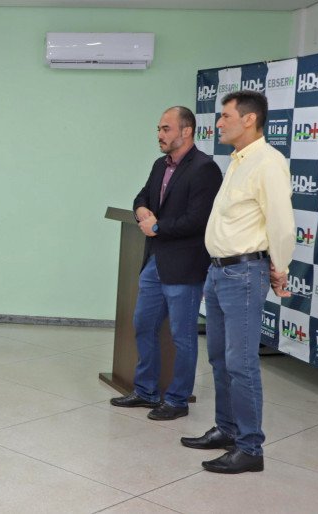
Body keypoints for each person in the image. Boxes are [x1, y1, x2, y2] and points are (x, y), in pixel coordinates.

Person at [180, 90, 295, 474]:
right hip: (218, 271)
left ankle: (250, 448)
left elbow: (281, 223)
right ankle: (226, 429)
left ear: (249, 119)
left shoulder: (268, 162)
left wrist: (281, 269)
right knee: (218, 356)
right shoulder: (237, 162)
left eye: (226, 115)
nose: (220, 122)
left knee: (241, 362)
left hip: (244, 273)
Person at [110, 107, 222, 420]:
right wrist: (142, 211)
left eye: (166, 128)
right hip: (154, 263)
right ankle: (145, 391)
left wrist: (158, 227)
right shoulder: (160, 165)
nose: (160, 135)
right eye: (158, 128)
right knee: (143, 325)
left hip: (184, 267)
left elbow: (199, 220)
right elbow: (141, 197)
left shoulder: (205, 169)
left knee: (182, 337)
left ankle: (176, 400)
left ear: (186, 131)